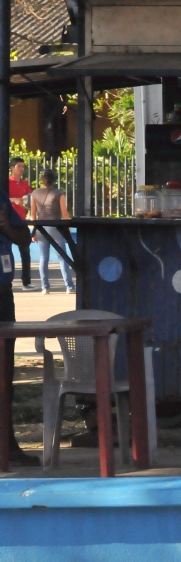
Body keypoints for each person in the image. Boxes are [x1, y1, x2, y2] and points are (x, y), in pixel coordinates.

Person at [0, 196, 38, 465]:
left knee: (4, 373)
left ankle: (7, 444)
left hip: (2, 294)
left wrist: (5, 226)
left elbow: (24, 238)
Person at [30, 170, 75, 294]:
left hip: (41, 228)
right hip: (56, 227)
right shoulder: (58, 193)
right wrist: (68, 227)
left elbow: (33, 215)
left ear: (42, 180)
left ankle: (45, 287)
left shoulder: (34, 193)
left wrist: (33, 232)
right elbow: (64, 213)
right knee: (62, 257)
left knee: (43, 257)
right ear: (54, 179)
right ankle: (69, 286)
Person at [7, 159, 31, 291]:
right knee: (6, 251)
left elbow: (29, 199)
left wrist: (26, 204)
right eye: (19, 166)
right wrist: (14, 200)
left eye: (23, 166)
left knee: (25, 251)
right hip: (8, 221)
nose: (21, 168)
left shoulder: (25, 183)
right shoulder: (6, 182)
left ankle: (26, 282)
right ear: (12, 167)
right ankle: (6, 280)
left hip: (21, 220)